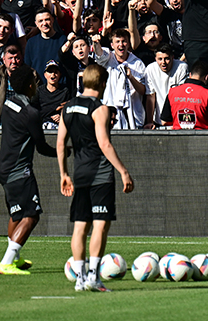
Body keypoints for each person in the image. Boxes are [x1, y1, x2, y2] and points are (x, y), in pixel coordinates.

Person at [57, 64, 135, 292]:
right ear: (103, 84)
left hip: (79, 173)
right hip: (100, 173)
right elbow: (104, 143)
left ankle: (80, 279)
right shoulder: (99, 108)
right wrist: (123, 171)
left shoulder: (68, 108)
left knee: (80, 226)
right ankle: (93, 276)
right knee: (100, 225)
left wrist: (63, 173)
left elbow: (60, 143)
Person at [0, 65, 57, 275]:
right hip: (19, 171)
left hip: (3, 168)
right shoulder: (30, 113)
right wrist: (63, 152)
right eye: (35, 81)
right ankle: (6, 262)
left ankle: (15, 258)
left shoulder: (8, 104)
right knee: (31, 215)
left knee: (16, 215)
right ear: (31, 85)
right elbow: (41, 147)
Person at [161, 60, 208, 129]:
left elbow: (164, 121)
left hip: (178, 136)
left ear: (190, 75)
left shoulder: (172, 91)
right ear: (206, 77)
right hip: (202, 137)